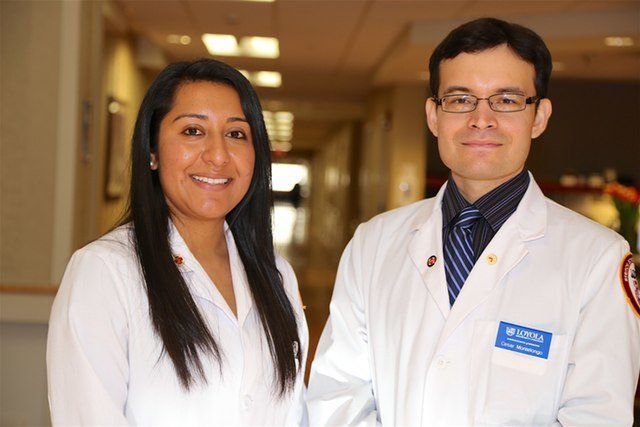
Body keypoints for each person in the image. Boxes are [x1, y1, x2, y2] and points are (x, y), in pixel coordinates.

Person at [307, 18, 640, 426]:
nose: (481, 119)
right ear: (433, 115)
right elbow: (338, 395)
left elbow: (597, 415)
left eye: (507, 99)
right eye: (460, 100)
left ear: (539, 117)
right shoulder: (373, 243)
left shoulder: (597, 259)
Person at [47, 59, 308, 426]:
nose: (218, 155)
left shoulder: (277, 276)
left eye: (236, 135)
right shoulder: (106, 272)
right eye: (192, 131)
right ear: (152, 152)